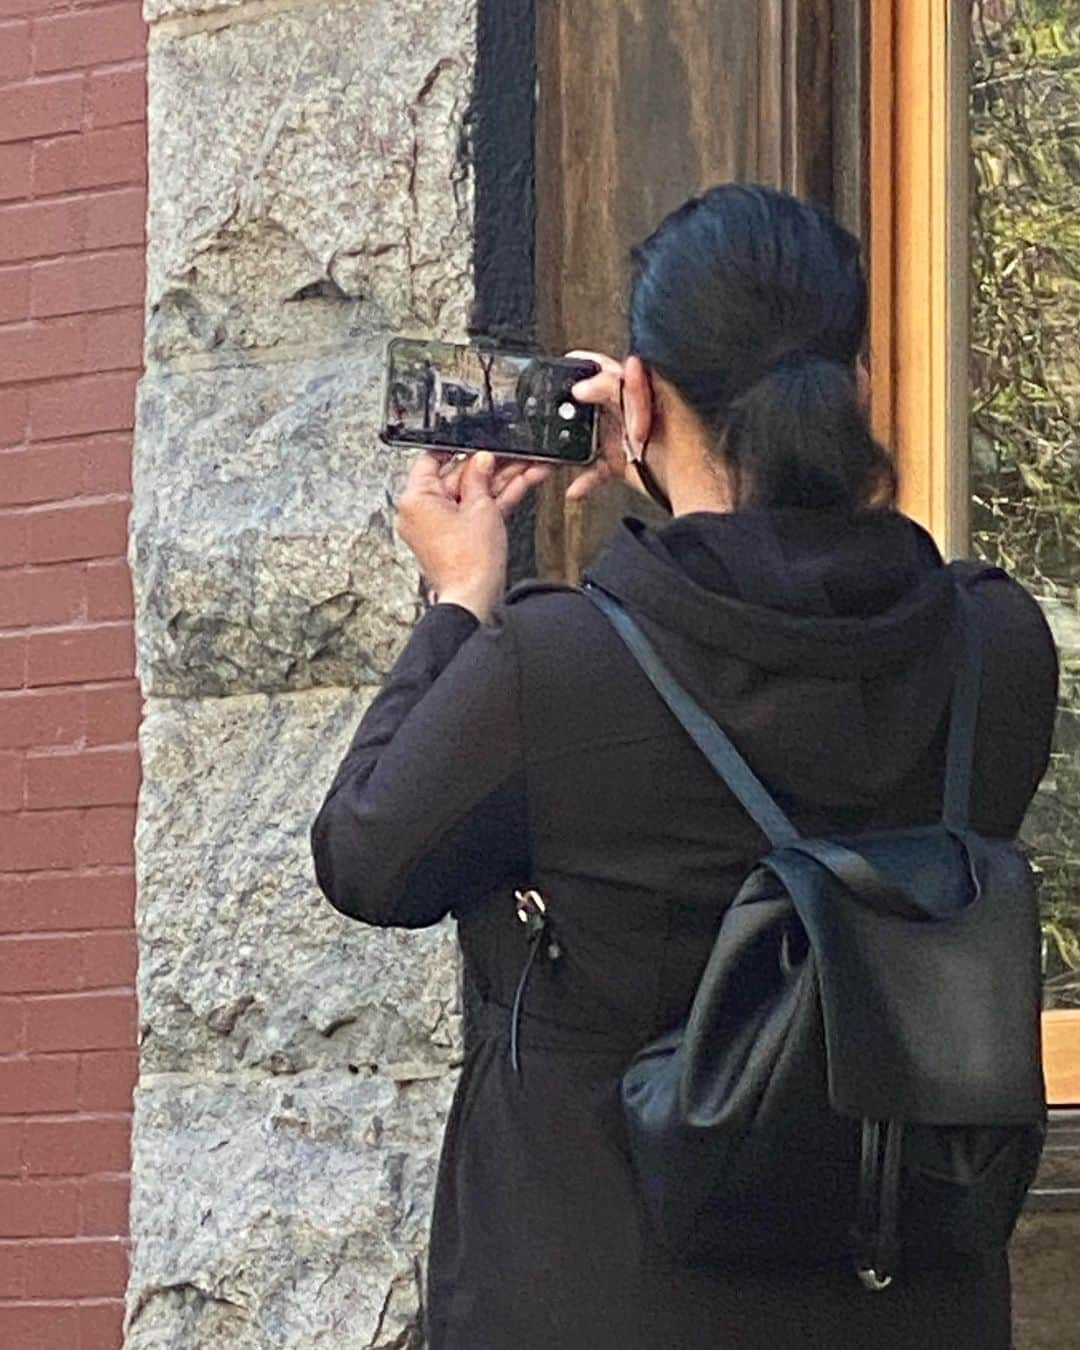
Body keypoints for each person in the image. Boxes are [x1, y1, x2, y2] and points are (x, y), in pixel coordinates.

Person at [310, 184, 1057, 1350]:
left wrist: (462, 596)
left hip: (607, 1283)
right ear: (856, 390)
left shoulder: (558, 668)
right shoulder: (995, 651)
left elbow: (367, 856)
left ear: (641, 397)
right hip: (904, 1295)